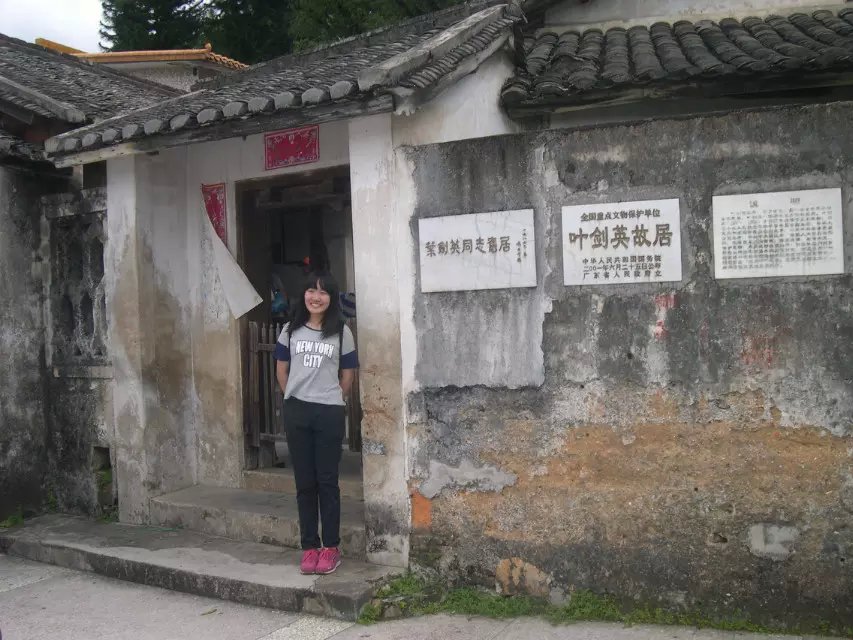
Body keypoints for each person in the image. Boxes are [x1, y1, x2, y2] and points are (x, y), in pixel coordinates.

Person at [274, 271, 358, 575]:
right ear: (304, 295)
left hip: (329, 412)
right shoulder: (290, 330)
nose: (316, 297)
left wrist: (333, 397)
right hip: (297, 411)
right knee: (305, 483)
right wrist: (293, 397)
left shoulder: (341, 332)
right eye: (311, 290)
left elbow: (347, 375)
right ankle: (310, 546)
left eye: (323, 292)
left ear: (331, 298)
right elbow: (281, 370)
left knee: (327, 482)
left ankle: (331, 547)